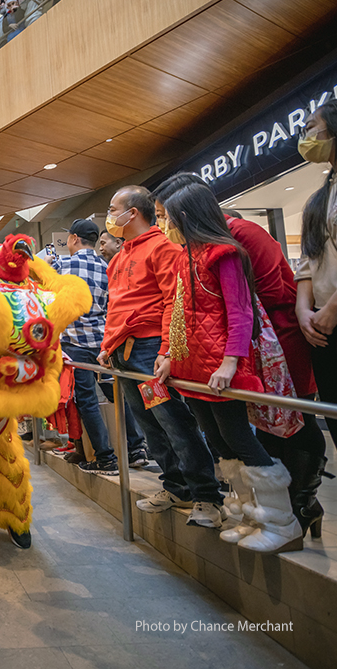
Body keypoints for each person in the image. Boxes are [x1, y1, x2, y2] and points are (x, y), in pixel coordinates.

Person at [154, 172, 327, 543]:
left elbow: (251, 304)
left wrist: (233, 357)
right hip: (212, 360)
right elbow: (181, 309)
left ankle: (293, 510)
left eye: (165, 216)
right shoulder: (187, 254)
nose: (163, 225)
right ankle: (257, 512)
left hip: (268, 345)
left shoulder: (235, 243)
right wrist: (171, 352)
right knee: (228, 437)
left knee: (285, 426)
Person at [99, 186, 223, 528]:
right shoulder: (121, 255)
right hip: (123, 352)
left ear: (133, 213)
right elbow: (116, 305)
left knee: (173, 421)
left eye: (113, 208)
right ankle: (177, 486)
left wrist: (168, 350)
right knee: (150, 424)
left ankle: (207, 496)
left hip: (148, 349)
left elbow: (174, 302)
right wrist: (107, 347)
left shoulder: (161, 248)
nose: (110, 215)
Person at [54, 219, 147, 474]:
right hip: (105, 346)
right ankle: (136, 448)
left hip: (75, 345)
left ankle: (105, 458)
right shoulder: (107, 266)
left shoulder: (61, 265)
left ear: (73, 238)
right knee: (116, 395)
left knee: (86, 401)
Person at [294, 101, 337, 453]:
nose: (307, 136)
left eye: (311, 127)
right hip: (323, 327)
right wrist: (303, 310)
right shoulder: (319, 198)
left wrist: (332, 309)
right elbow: (308, 261)